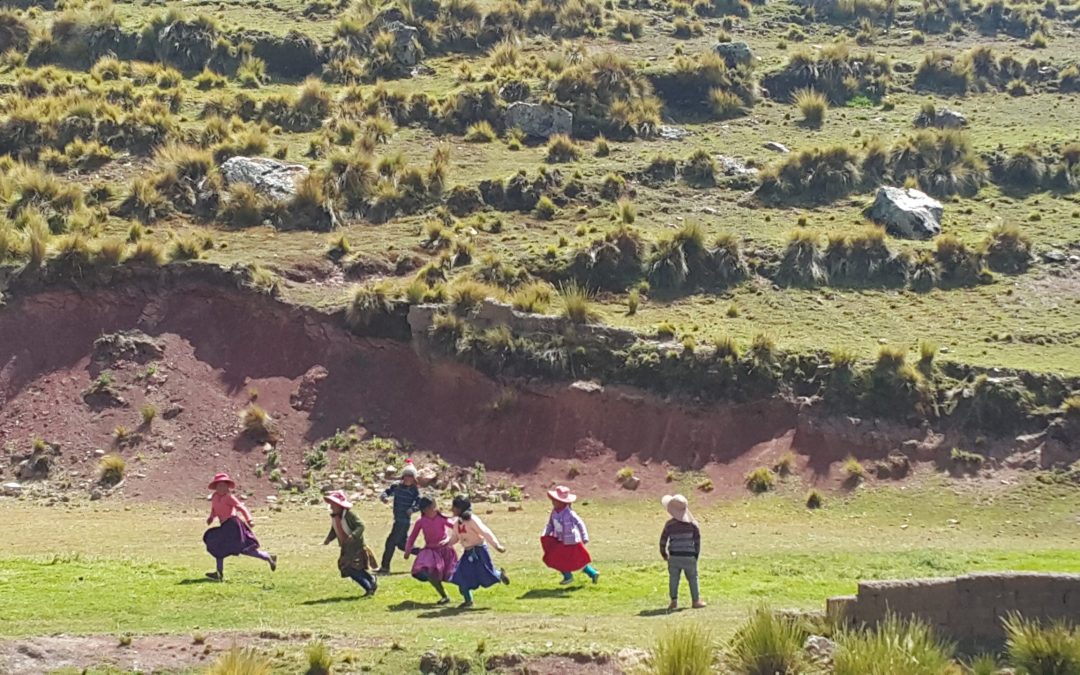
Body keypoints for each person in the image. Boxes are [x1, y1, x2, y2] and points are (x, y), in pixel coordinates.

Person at [202, 472, 276, 581]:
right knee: (217, 546)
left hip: (233, 526)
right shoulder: (215, 497)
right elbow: (214, 509)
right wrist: (211, 517)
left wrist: (249, 519)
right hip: (224, 526)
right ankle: (218, 573)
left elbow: (241, 508)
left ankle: (268, 557)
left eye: (223, 485)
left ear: (227, 487)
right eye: (219, 485)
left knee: (244, 549)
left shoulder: (229, 497)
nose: (221, 488)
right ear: (215, 487)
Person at [449, 495, 510, 608]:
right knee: (461, 575)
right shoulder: (457, 523)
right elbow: (455, 537)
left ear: (460, 508)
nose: (452, 509)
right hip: (468, 553)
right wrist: (446, 543)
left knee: (486, 573)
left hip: (479, 551)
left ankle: (499, 574)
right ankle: (468, 600)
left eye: (454, 507)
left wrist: (497, 545)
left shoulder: (472, 520)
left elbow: (485, 532)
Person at [404, 496, 458, 605]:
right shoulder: (421, 522)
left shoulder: (442, 519)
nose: (429, 511)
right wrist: (407, 550)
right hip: (430, 551)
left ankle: (467, 593)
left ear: (434, 506)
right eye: (425, 509)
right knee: (431, 573)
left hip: (444, 550)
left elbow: (457, 528)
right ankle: (444, 596)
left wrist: (449, 539)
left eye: (431, 508)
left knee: (450, 576)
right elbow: (412, 536)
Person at [323, 490, 378, 597]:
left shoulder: (349, 515)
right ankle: (371, 580)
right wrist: (329, 539)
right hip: (346, 547)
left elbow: (361, 526)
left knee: (351, 568)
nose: (332, 506)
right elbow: (335, 529)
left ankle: (369, 586)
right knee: (349, 568)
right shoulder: (336, 517)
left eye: (334, 504)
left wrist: (353, 536)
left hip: (356, 547)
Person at [541, 486, 599, 585]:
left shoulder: (570, 513)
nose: (553, 502)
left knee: (570, 559)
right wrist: (545, 534)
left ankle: (571, 576)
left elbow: (580, 523)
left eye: (556, 501)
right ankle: (591, 573)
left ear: (563, 502)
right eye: (553, 500)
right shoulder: (554, 513)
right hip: (560, 541)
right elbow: (550, 524)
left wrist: (584, 536)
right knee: (561, 558)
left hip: (571, 542)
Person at [659, 494, 705, 610]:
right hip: (689, 556)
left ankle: (673, 601)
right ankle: (696, 600)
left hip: (674, 556)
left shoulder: (669, 524)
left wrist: (664, 554)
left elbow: (663, 541)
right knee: (693, 578)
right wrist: (695, 556)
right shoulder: (693, 524)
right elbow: (697, 542)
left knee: (673, 579)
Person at [378, 460, 421, 575]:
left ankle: (385, 568)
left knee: (390, 542)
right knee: (402, 545)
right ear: (403, 476)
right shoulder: (396, 486)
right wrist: (384, 498)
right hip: (397, 519)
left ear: (414, 479)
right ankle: (425, 553)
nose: (408, 479)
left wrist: (412, 509)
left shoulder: (414, 490)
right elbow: (386, 492)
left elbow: (420, 503)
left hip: (404, 521)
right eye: (406, 476)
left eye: (411, 477)